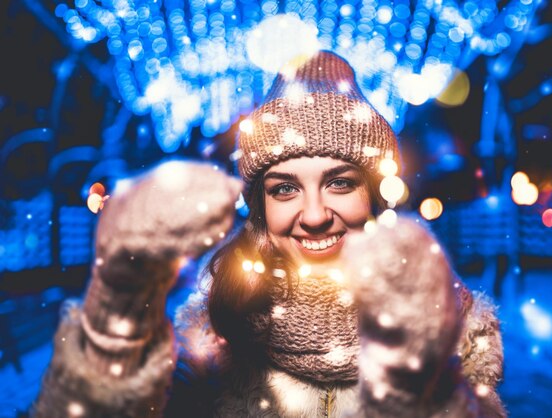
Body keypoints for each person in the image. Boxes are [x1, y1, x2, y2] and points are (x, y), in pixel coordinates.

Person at [32, 51, 506, 417]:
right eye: (285, 189)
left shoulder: (455, 330)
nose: (315, 214)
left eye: (340, 182)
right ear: (260, 207)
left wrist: (433, 390)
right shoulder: (212, 336)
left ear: (374, 196)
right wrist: (115, 318)